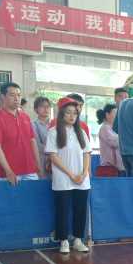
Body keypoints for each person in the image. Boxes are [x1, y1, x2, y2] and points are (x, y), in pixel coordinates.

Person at [45, 97, 92, 254]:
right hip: (63, 178)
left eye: (75, 113)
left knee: (80, 209)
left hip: (81, 179)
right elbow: (53, 156)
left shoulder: (81, 132)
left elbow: (87, 154)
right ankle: (63, 241)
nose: (72, 116)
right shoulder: (53, 132)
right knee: (62, 210)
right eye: (68, 113)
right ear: (62, 114)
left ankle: (78, 239)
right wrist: (71, 174)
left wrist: (84, 173)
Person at [0, 82, 42, 184]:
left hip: (30, 170)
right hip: (9, 173)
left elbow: (32, 141)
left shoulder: (25, 117)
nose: (16, 98)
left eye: (19, 95)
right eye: (12, 95)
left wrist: (38, 164)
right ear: (3, 97)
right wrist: (8, 171)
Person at [96, 103, 124, 176]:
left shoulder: (111, 128)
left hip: (115, 168)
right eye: (115, 114)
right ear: (107, 115)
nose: (117, 116)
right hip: (109, 168)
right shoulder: (105, 128)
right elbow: (115, 142)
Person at [32, 96, 51, 175]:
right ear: (36, 109)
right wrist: (53, 150)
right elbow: (37, 146)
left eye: (47, 106)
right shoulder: (33, 125)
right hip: (41, 160)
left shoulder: (55, 124)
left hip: (56, 161)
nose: (45, 109)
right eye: (42, 106)